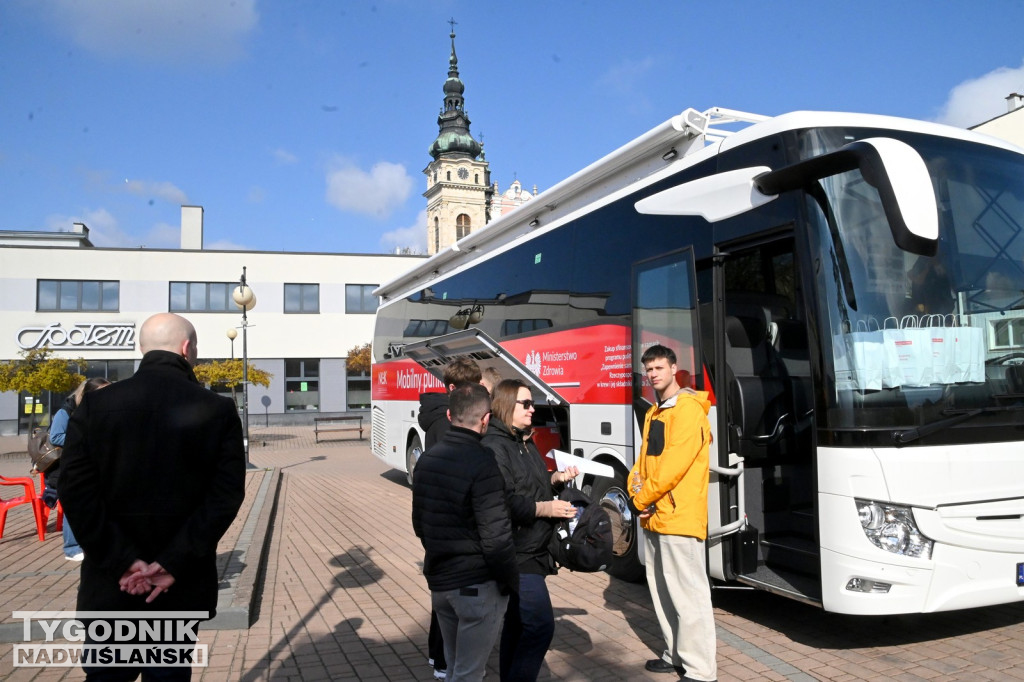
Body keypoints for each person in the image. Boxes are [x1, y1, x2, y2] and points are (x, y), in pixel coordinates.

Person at [61, 312, 246, 681]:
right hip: (177, 587)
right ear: (187, 348)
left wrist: (123, 562)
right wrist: (172, 562)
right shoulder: (218, 408)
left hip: (111, 585)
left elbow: (76, 492)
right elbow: (224, 496)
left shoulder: (93, 407)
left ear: (140, 349)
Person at [412, 383, 519, 682]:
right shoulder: (483, 463)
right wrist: (511, 581)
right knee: (470, 673)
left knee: (456, 668)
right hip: (476, 586)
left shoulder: (426, 460)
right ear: (486, 420)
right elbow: (496, 537)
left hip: (440, 585)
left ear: (449, 414)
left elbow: (419, 525)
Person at [628, 344, 717, 681]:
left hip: (678, 517)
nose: (653, 375)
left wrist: (640, 499)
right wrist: (636, 488)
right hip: (654, 515)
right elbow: (643, 463)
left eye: (659, 368)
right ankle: (675, 654)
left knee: (689, 595)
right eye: (649, 369)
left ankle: (701, 670)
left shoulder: (689, 410)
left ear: (674, 368)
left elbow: (673, 468)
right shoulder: (655, 411)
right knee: (663, 590)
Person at [482, 379, 578, 682]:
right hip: (516, 552)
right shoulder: (496, 447)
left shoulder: (524, 440)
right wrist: (545, 508)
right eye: (526, 403)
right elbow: (504, 500)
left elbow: (533, 482)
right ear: (507, 405)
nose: (532, 408)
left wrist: (556, 479)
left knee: (517, 624)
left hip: (534, 548)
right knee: (540, 626)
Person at [416, 356, 483, 679]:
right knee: (449, 598)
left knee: (443, 596)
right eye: (471, 387)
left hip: (440, 523)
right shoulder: (447, 424)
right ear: (455, 388)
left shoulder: (440, 418)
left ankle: (438, 657)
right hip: (450, 523)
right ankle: (443, 661)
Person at [45, 377, 111, 560]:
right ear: (87, 394)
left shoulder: (99, 411)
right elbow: (56, 437)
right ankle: (72, 548)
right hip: (66, 467)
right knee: (74, 503)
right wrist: (86, 440)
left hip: (92, 465)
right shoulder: (65, 412)